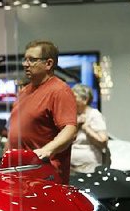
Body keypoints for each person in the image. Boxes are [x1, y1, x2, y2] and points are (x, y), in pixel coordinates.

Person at [7, 40, 78, 183]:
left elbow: (70, 130)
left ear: (49, 64)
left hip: (44, 176)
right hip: (19, 174)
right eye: (25, 59)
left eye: (32, 60)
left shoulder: (59, 90)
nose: (25, 64)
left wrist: (46, 150)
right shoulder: (25, 91)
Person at [70, 84, 109, 173]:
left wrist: (86, 128)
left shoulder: (94, 115)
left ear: (85, 100)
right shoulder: (73, 115)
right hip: (71, 166)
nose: (70, 99)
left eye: (74, 97)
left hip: (89, 166)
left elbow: (103, 141)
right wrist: (77, 126)